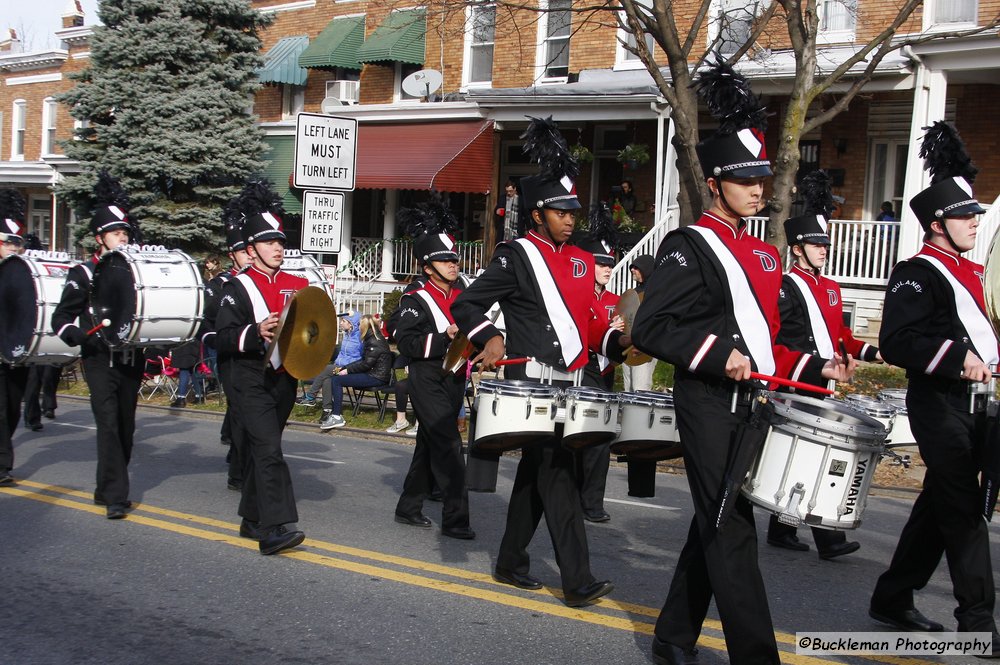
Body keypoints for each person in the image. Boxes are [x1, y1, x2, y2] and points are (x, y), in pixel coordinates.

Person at [631, 59, 854, 665]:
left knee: (718, 521)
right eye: (745, 178)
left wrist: (813, 369)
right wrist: (714, 355)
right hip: (707, 403)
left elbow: (766, 345)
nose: (759, 188)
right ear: (717, 184)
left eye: (762, 178)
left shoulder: (761, 253)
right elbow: (651, 327)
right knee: (732, 531)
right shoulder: (689, 245)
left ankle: (673, 636)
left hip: (754, 405)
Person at [453, 116, 631, 608]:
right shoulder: (515, 256)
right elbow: (465, 304)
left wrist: (619, 343)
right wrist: (487, 335)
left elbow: (593, 322)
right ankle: (578, 580)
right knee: (560, 478)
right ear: (537, 214)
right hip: (531, 388)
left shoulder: (578, 261)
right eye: (559, 211)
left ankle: (510, 560)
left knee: (537, 476)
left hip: (571, 387)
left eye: (573, 211)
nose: (570, 219)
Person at [870, 121, 1000, 654]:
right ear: (938, 223)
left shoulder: (976, 273)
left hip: (981, 407)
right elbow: (898, 340)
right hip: (941, 405)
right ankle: (978, 624)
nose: (975, 222)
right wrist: (956, 357)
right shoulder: (916, 272)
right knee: (965, 509)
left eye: (975, 214)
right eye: (966, 215)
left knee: (940, 504)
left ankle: (892, 595)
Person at [766, 170, 882, 560]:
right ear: (797, 248)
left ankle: (781, 531)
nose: (823, 250)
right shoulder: (782, 286)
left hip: (824, 383)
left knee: (805, 457)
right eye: (816, 244)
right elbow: (776, 342)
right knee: (807, 457)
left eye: (825, 244)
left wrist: (874, 352)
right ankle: (826, 538)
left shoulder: (831, 288)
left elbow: (842, 338)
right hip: (796, 381)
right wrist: (816, 368)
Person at [215, 207, 306, 556]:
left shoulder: (298, 285)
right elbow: (220, 337)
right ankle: (273, 529)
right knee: (269, 448)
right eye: (269, 242)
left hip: (284, 375)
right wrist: (255, 331)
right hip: (247, 374)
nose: (278, 247)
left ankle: (251, 518)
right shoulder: (235, 287)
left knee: (261, 449)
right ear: (251, 249)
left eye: (280, 241)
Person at [51, 184, 145, 519]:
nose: (122, 238)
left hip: (131, 359)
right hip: (99, 359)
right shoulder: (84, 273)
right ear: (99, 238)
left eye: (125, 232)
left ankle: (104, 487)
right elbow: (59, 318)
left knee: (125, 427)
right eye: (115, 233)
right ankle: (117, 496)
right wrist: (77, 335)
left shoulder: (136, 271)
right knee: (107, 424)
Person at [393, 205, 474, 539]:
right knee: (450, 446)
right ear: (427, 267)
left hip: (455, 376)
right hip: (426, 377)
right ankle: (456, 519)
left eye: (454, 260)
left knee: (429, 444)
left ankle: (408, 507)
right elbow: (406, 343)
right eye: (445, 261)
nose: (453, 265)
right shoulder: (415, 298)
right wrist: (445, 338)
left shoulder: (463, 294)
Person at [575, 203, 624, 523]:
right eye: (602, 263)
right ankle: (575, 497)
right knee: (582, 440)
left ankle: (592, 502)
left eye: (611, 264)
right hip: (583, 371)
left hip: (606, 373)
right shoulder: (578, 297)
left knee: (600, 442)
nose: (608, 268)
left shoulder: (617, 301)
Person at [201, 219, 252, 492]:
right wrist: (220, 341)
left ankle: (239, 459)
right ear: (233, 254)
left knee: (248, 417)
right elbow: (207, 324)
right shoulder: (222, 284)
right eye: (244, 251)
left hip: (258, 359)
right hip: (232, 358)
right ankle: (239, 471)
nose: (250, 256)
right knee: (241, 413)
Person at [318, 314, 392, 430]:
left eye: (359, 325)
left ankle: (336, 416)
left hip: (377, 377)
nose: (358, 327)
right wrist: (345, 368)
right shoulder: (371, 338)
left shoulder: (374, 341)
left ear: (365, 326)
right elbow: (363, 361)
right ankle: (334, 413)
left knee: (337, 380)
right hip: (372, 373)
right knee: (336, 377)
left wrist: (348, 371)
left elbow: (366, 364)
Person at [0, 190, 29, 485]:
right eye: (8, 242)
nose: (13, 248)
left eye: (17, 243)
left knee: (10, 408)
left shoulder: (23, 274)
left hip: (15, 351)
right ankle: (2, 466)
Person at [296, 310, 362, 417]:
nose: (340, 323)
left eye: (343, 321)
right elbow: (342, 354)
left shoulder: (360, 338)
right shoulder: (347, 335)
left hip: (349, 368)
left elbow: (362, 358)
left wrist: (349, 366)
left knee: (325, 370)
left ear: (351, 324)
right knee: (327, 378)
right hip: (339, 367)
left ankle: (310, 396)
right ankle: (327, 409)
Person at [621, 254, 657, 392]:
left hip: (643, 348)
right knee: (627, 390)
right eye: (632, 267)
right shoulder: (632, 294)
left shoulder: (655, 294)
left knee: (639, 391)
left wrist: (646, 345)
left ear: (647, 269)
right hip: (627, 348)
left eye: (637, 267)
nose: (632, 270)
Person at [169, 339, 203, 407]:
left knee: (184, 371)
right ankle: (199, 396)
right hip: (194, 344)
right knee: (194, 371)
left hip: (182, 344)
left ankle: (181, 398)